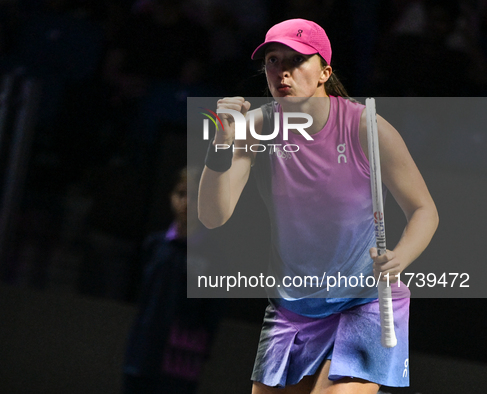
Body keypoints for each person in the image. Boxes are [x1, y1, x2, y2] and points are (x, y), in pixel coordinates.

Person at [197, 19, 438, 393]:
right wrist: (221, 145)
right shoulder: (256, 128)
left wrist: (400, 258)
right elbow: (213, 216)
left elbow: (424, 210)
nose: (282, 71)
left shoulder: (366, 127)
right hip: (293, 306)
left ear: (325, 71)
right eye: (273, 60)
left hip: (365, 301)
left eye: (296, 60)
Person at [123, 167, 224, 393]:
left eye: (196, 195)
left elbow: (212, 312)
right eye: (181, 193)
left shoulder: (213, 256)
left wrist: (199, 350)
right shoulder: (155, 245)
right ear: (171, 197)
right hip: (141, 355)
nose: (186, 202)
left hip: (180, 359)